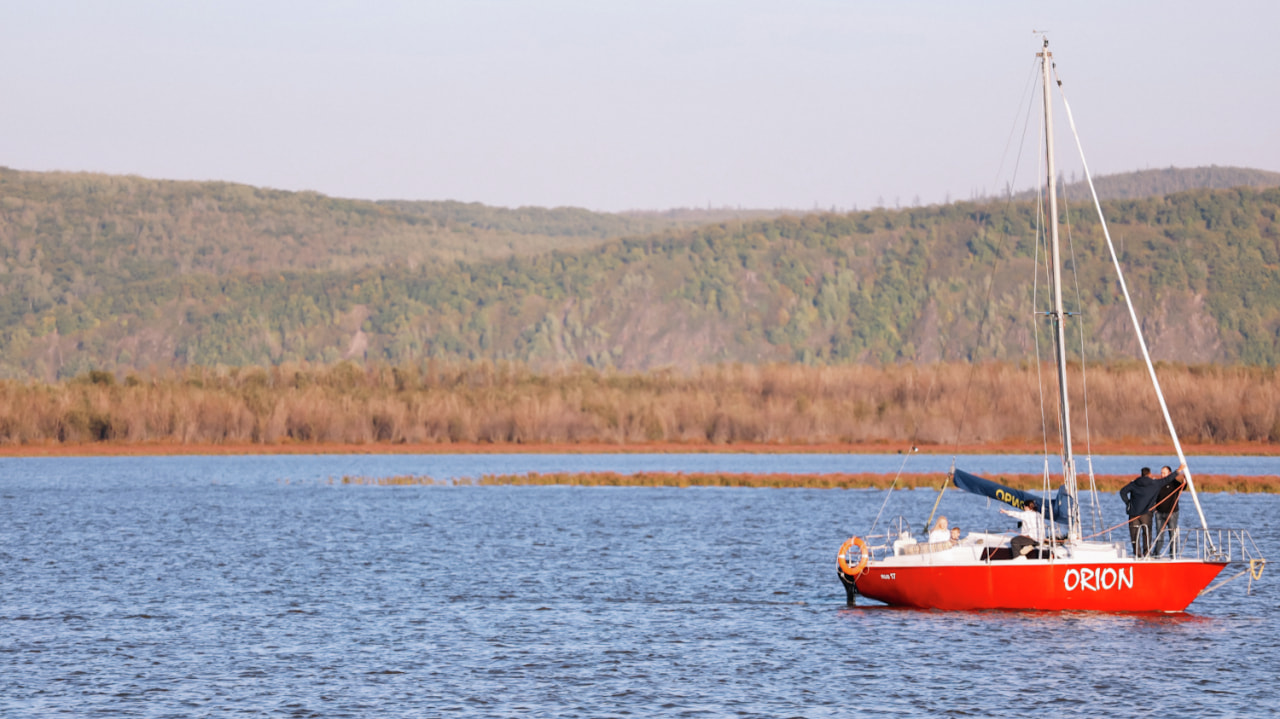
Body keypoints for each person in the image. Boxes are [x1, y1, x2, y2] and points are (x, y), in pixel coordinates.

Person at [1119, 466, 1171, 557]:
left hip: (1133, 513)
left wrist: (1128, 503)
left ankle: (1137, 554)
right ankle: (1146, 552)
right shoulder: (1154, 483)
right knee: (1147, 533)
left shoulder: (1134, 483)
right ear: (1149, 474)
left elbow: (1122, 492)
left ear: (1141, 474)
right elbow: (1167, 479)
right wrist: (1178, 471)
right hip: (1146, 514)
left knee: (1134, 534)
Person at [1151, 464, 1186, 556]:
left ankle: (1173, 554)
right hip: (1159, 513)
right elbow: (1153, 497)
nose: (1162, 475)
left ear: (1169, 473)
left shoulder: (1174, 483)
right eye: (1161, 473)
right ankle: (1156, 554)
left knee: (1172, 534)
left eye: (1164, 473)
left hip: (1172, 513)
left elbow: (1184, 486)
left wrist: (1185, 478)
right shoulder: (1158, 483)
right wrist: (1154, 508)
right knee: (1159, 535)